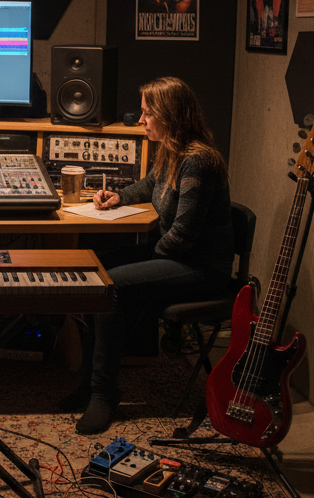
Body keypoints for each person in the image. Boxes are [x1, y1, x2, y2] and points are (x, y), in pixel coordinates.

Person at [68, 77, 233, 435]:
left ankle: (104, 393)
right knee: (95, 270)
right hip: (175, 253)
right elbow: (150, 184)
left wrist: (141, 259)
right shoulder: (172, 151)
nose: (141, 120)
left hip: (201, 267)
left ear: (170, 115)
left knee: (112, 286)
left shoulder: (199, 162)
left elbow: (182, 238)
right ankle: (90, 382)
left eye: (147, 113)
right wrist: (120, 197)